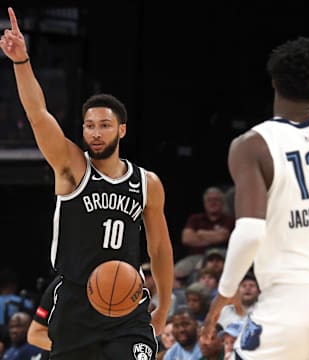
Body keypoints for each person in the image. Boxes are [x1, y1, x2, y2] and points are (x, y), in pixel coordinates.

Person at [0, 7, 174, 360]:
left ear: (121, 130)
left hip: (127, 304)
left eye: (104, 125)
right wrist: (21, 62)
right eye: (89, 125)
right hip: (76, 302)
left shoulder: (147, 183)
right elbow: (38, 115)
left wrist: (163, 306)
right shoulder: (71, 168)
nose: (95, 132)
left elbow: (159, 248)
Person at [202, 36, 309, 360]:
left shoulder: (252, 145)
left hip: (291, 304)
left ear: (273, 82)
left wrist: (225, 292)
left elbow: (249, 233)